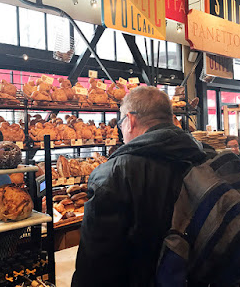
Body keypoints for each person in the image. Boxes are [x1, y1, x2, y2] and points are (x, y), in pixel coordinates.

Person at [71, 86, 207, 287]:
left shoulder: (113, 175)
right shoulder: (203, 157)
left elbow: (95, 264)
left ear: (130, 120)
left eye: (120, 122)